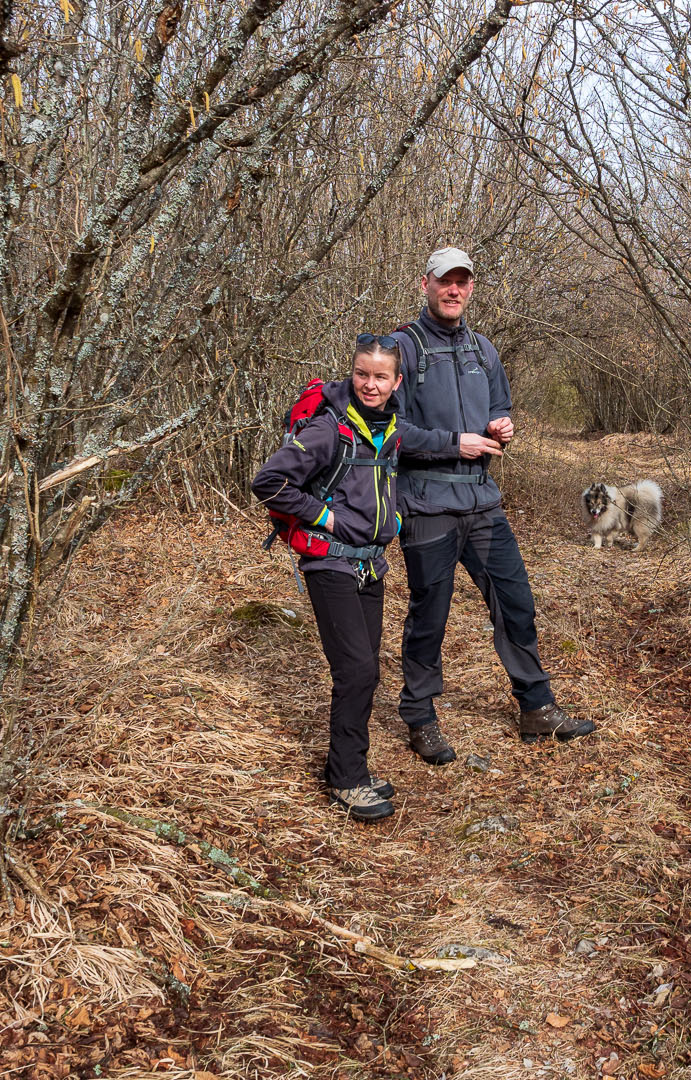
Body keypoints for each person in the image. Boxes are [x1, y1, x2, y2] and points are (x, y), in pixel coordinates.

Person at [391, 246, 595, 764]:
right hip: (427, 503)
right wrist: (452, 443)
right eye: (444, 281)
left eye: (462, 281)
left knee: (516, 604)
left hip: (482, 501)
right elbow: (388, 428)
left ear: (471, 288)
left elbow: (499, 405)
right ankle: (420, 717)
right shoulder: (402, 348)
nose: (453, 289)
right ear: (426, 285)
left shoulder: (483, 349)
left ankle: (537, 708)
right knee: (429, 616)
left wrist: (502, 425)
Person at [250, 336, 409, 821]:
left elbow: (386, 486)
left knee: (367, 670)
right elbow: (268, 482)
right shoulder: (328, 430)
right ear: (352, 373)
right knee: (356, 670)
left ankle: (350, 766)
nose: (371, 384)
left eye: (381, 376)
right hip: (330, 562)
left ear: (396, 381)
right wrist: (326, 517)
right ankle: (345, 780)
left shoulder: (392, 430)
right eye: (363, 374)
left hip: (370, 563)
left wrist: (394, 522)